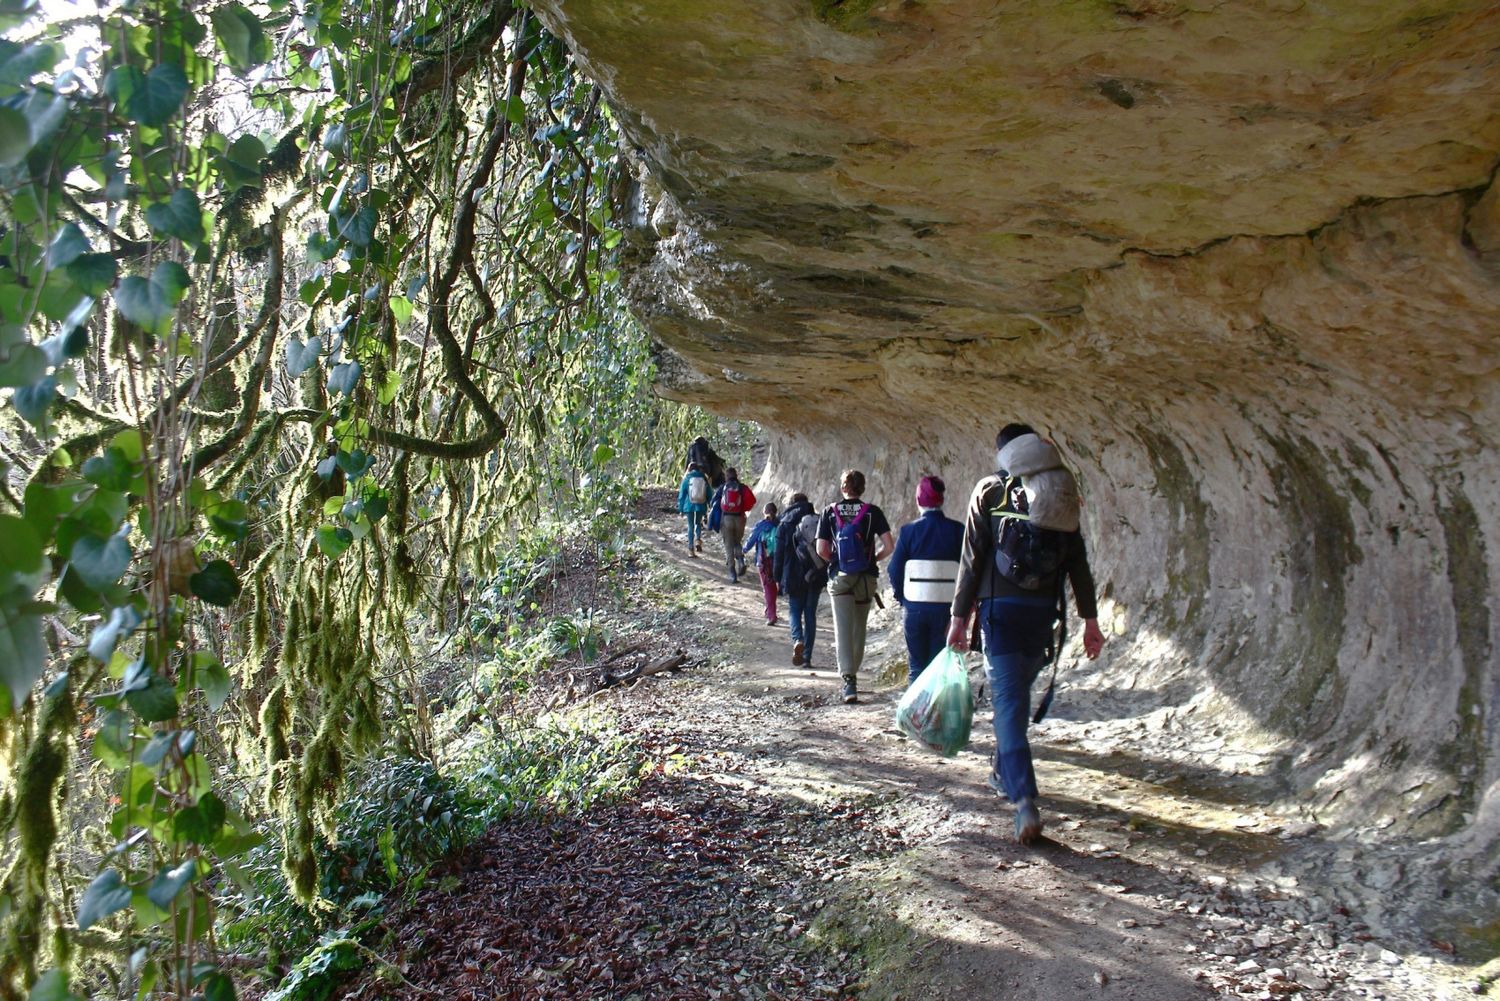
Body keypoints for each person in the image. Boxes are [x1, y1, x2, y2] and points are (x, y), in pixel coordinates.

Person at [946, 423, 1105, 846]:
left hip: (1000, 615)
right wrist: (1091, 622)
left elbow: (972, 560)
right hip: (1042, 617)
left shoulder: (989, 491)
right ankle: (1003, 768)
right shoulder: (1059, 494)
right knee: (1015, 699)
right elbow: (1079, 565)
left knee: (1009, 705)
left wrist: (959, 619)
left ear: (1003, 454)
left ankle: (1024, 801)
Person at [815, 469, 894, 704]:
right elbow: (889, 546)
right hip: (866, 577)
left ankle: (849, 681)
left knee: (842, 629)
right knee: (859, 628)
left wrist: (838, 563)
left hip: (840, 578)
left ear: (843, 488)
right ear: (862, 488)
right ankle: (854, 672)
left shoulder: (830, 511)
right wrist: (872, 560)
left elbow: (822, 549)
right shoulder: (873, 512)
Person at [888, 475, 965, 685]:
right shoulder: (958, 531)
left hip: (915, 608)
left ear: (918, 500)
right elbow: (968, 572)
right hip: (947, 611)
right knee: (939, 666)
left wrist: (903, 599)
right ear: (941, 500)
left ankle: (917, 715)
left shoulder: (908, 531)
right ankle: (939, 715)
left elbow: (894, 569)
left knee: (917, 666)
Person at [774, 492, 820, 667]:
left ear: (791, 504)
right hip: (814, 574)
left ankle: (797, 640)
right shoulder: (818, 520)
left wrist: (777, 577)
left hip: (792, 574)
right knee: (810, 615)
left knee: (794, 610)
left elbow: (778, 554)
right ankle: (807, 657)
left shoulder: (784, 523)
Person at [742, 501, 781, 625]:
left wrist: (744, 550)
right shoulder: (780, 524)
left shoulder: (761, 525)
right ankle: (769, 609)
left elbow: (751, 540)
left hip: (763, 561)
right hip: (778, 560)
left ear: (764, 512)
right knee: (773, 586)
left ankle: (772, 615)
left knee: (768, 587)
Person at [717, 467, 756, 583]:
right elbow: (752, 500)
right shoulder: (742, 487)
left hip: (726, 519)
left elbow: (714, 502)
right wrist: (742, 509)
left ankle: (732, 573)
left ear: (726, 476)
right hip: (740, 519)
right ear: (736, 475)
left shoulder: (723, 488)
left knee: (729, 545)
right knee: (737, 542)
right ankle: (741, 560)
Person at [677, 462, 710, 556]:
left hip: (689, 505)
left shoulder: (687, 479)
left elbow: (682, 495)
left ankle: (691, 549)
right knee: (698, 523)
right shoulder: (703, 478)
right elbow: (709, 493)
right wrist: (710, 504)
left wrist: (681, 509)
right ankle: (698, 540)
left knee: (690, 526)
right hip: (700, 504)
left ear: (689, 469)